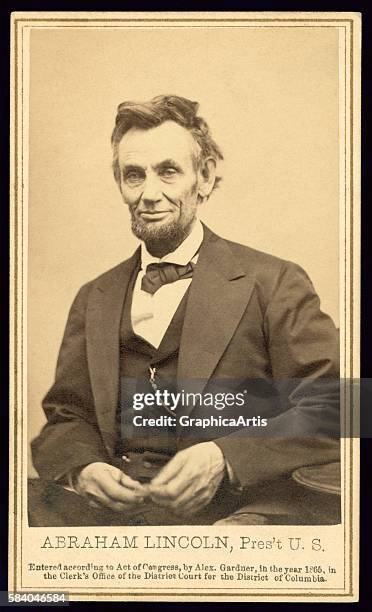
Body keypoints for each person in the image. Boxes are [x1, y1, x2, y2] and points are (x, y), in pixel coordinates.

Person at [29, 95, 340, 527]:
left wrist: (225, 457)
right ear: (119, 183)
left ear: (206, 176)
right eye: (134, 175)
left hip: (234, 510)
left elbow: (337, 404)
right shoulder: (95, 296)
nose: (149, 194)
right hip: (110, 516)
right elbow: (67, 416)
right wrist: (83, 469)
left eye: (168, 171)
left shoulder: (274, 282)